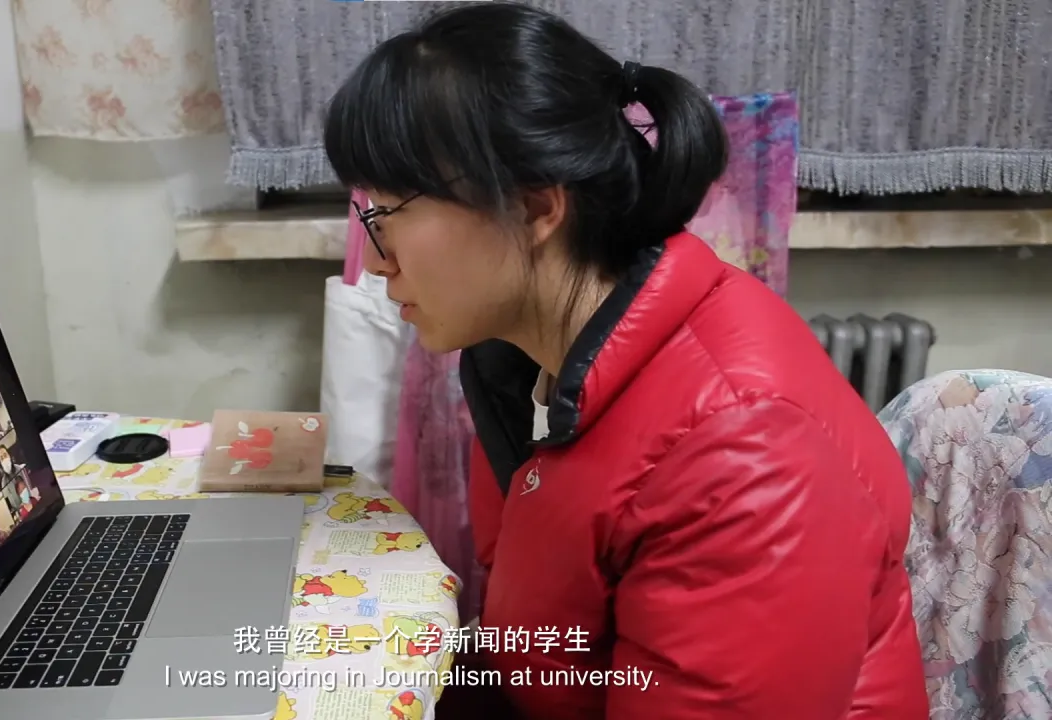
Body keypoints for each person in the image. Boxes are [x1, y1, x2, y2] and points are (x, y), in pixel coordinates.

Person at [323, 5, 928, 719]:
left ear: (535, 208)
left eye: (387, 212)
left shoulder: (746, 452)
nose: (376, 261)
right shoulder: (519, 361)